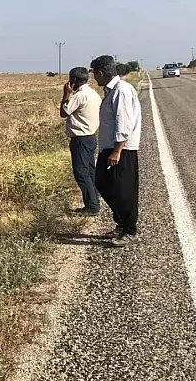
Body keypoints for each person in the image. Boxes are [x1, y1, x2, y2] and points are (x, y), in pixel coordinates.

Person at [90, 55, 142, 247]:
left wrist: (117, 150)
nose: (94, 78)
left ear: (101, 73)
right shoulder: (111, 91)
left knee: (124, 191)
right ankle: (121, 223)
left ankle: (129, 231)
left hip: (121, 149)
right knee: (103, 183)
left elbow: (124, 122)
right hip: (110, 148)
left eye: (95, 74)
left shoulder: (122, 91)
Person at [60, 67, 102, 216]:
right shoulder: (93, 93)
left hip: (80, 139)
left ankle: (92, 206)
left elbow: (63, 113)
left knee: (81, 173)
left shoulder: (79, 96)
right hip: (91, 137)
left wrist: (66, 95)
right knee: (90, 171)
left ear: (74, 80)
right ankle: (95, 199)